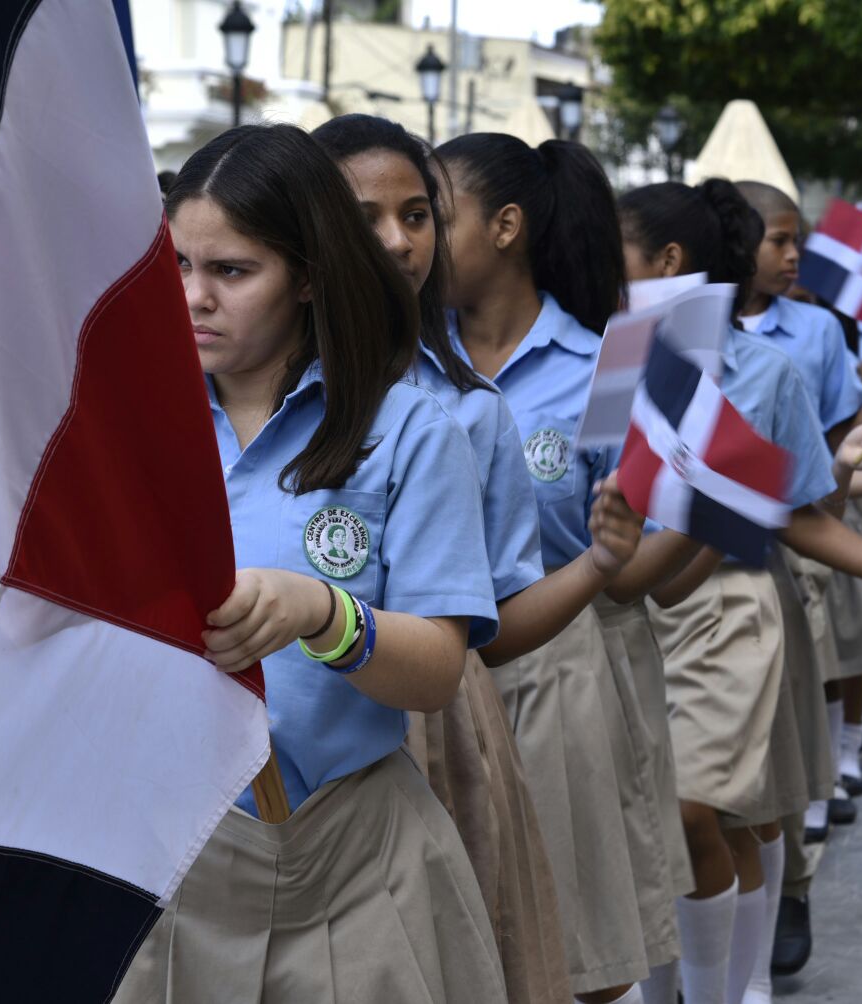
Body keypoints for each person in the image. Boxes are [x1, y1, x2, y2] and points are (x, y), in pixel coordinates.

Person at [115, 124, 506, 1003]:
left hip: (351, 854)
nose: (194, 297)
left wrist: (324, 615)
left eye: (232, 271)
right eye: (176, 265)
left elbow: (438, 671)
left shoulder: (408, 431)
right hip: (166, 851)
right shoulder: (122, 426)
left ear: (309, 276)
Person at [617, 179, 862, 1004]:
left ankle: (732, 984)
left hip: (729, 612)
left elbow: (797, 512)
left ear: (668, 261)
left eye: (617, 254)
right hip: (626, 614)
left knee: (711, 812)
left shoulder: (769, 368)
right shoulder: (606, 359)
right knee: (668, 824)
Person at [313, 112, 642, 1004]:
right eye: (366, 215)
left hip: (441, 726)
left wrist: (604, 563)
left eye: (420, 215)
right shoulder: (254, 385)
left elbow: (489, 626)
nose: (399, 241)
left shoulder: (483, 403)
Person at [434, 131, 686, 1004]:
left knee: (576, 951)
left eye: (433, 214)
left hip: (559, 670)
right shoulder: (409, 363)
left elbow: (636, 562)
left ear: (506, 227)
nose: (411, 239)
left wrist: (619, 553)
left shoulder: (610, 368)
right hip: (431, 674)